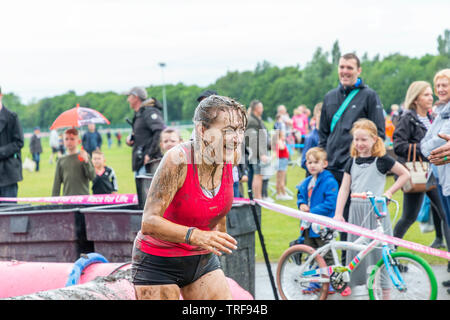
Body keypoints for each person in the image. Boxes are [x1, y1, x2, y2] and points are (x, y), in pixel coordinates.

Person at [131, 95, 247, 300]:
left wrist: (218, 234)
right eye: (228, 130)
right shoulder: (178, 160)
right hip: (159, 262)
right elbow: (149, 222)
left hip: (200, 258)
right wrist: (198, 235)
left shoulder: (231, 156)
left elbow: (216, 203)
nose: (236, 138)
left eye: (239, 130)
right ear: (203, 130)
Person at [333, 119, 410, 298]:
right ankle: (355, 287)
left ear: (374, 139)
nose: (360, 144)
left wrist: (389, 192)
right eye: (356, 140)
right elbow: (344, 188)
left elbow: (405, 174)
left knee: (381, 254)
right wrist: (338, 213)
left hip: (376, 213)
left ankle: (385, 293)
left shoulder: (382, 160)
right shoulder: (351, 161)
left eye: (364, 140)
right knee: (356, 252)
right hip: (356, 212)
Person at [318, 53, 386, 256]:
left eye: (349, 67)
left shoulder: (369, 95)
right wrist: (323, 157)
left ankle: (351, 266)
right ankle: (326, 266)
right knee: (326, 220)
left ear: (359, 70)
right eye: (342, 67)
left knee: (353, 221)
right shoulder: (330, 97)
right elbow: (323, 133)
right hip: (331, 168)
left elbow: (379, 133)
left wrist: (363, 160)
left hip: (356, 169)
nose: (345, 71)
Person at [393, 81, 450, 250]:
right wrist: (424, 148)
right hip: (415, 173)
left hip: (432, 172)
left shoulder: (433, 117)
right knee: (408, 217)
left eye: (430, 94)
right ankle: (390, 252)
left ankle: (447, 259)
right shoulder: (407, 118)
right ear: (416, 98)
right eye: (426, 95)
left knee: (445, 215)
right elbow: (398, 145)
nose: (431, 97)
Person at [296, 147, 338, 294]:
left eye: (316, 162)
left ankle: (331, 281)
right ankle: (314, 282)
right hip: (308, 227)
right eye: (309, 162)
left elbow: (330, 204)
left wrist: (311, 212)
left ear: (324, 164)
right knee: (312, 254)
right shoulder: (306, 182)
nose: (312, 165)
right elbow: (301, 195)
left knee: (326, 255)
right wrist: (301, 204)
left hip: (323, 227)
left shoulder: (329, 182)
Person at [421, 69, 450, 272]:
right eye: (437, 85)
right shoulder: (441, 112)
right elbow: (425, 144)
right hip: (442, 178)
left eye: (444, 85)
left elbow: (437, 141)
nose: (440, 89)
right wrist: (430, 145)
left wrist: (430, 144)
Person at [125, 87, 165, 177]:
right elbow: (143, 136)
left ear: (136, 97)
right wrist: (131, 140)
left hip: (149, 163)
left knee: (148, 191)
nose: (128, 100)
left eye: (129, 96)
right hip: (140, 162)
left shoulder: (149, 112)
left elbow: (159, 131)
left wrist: (150, 154)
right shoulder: (139, 113)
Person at [52, 128, 96, 196]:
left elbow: (92, 177)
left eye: (72, 139)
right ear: (63, 141)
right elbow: (56, 183)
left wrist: (86, 161)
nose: (69, 141)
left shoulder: (84, 156)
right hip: (68, 200)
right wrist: (54, 203)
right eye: (66, 139)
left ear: (78, 141)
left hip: (84, 199)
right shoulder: (61, 160)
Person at [0, 86, 24, 201]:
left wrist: (2, 151)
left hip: (8, 173)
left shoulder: (12, 117)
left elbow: (19, 142)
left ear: (1, 96)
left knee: (9, 213)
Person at [245, 100, 270, 200]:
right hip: (256, 153)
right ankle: (257, 197)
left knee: (258, 175)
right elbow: (253, 140)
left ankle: (257, 197)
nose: (262, 109)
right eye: (261, 107)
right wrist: (261, 154)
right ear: (257, 109)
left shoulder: (256, 119)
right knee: (257, 175)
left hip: (257, 152)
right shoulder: (252, 121)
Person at [301, 102, 322, 176]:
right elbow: (304, 162)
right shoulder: (311, 137)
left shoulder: (330, 136)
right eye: (320, 116)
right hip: (313, 178)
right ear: (315, 118)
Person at [273, 129, 291, 200]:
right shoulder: (280, 142)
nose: (285, 137)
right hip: (282, 161)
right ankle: (283, 194)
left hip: (281, 160)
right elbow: (282, 148)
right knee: (282, 179)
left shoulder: (279, 142)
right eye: (283, 135)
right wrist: (280, 141)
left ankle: (279, 194)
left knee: (278, 179)